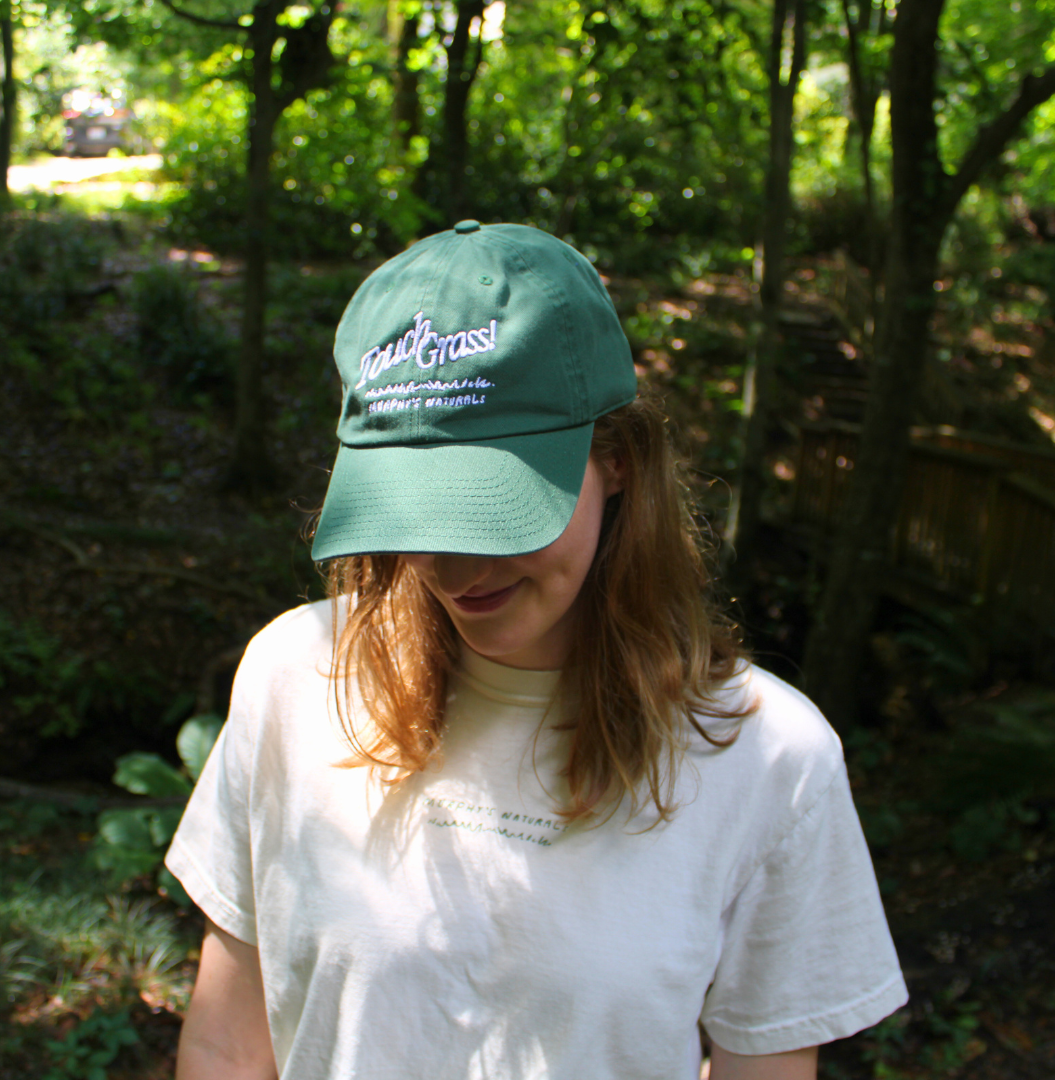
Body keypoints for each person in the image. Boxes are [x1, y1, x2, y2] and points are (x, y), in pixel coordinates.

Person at [167, 221, 907, 1080]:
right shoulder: (296, 680)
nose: (451, 566)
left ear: (620, 459)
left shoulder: (768, 757)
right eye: (415, 507)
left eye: (495, 510)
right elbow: (226, 1044)